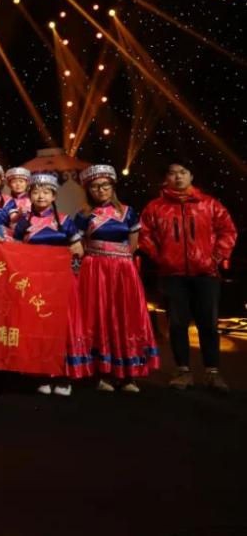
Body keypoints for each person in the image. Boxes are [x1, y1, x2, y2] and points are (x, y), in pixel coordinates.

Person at [139, 162, 238, 393]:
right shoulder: (155, 207)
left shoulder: (209, 204)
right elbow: (143, 234)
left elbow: (228, 230)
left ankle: (212, 372)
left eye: (183, 172)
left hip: (206, 274)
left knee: (208, 324)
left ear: (191, 176)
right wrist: (161, 257)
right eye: (173, 173)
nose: (178, 177)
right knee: (177, 324)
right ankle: (183, 371)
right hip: (172, 275)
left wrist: (215, 257)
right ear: (166, 178)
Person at [74, 165, 160, 392]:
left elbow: (133, 245)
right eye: (94, 187)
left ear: (112, 187)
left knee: (125, 317)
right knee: (98, 317)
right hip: (94, 270)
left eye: (105, 185)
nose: (100, 190)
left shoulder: (128, 212)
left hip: (123, 270)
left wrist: (120, 261)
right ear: (88, 190)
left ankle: (128, 375)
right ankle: (100, 373)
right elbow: (79, 247)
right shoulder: (84, 215)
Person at [13, 174, 86, 396]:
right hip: (36, 282)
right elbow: (15, 252)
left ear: (54, 196)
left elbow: (79, 249)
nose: (41, 196)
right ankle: (43, 374)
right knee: (40, 326)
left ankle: (64, 376)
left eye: (46, 192)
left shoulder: (65, 220)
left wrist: (72, 252)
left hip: (62, 281)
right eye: (36, 192)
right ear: (30, 196)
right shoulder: (23, 223)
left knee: (63, 326)